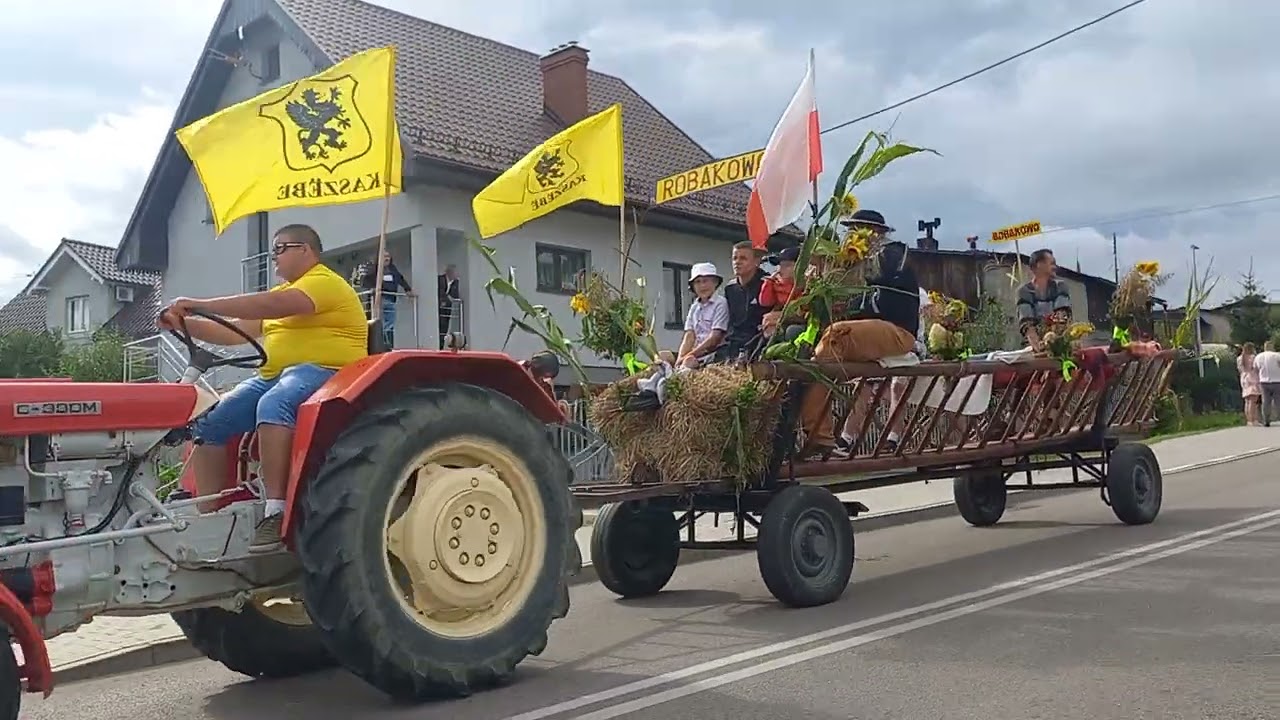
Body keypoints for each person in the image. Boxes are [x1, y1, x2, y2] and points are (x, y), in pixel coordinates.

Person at [160, 224, 368, 552]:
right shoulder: (283, 296)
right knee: (210, 421)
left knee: (274, 404)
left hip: (328, 373)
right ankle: (209, 516)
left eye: (281, 248)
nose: (274, 257)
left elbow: (269, 305)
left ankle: (275, 511)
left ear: (307, 250)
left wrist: (199, 304)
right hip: (273, 374)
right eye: (273, 250)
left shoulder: (323, 283)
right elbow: (233, 333)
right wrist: (184, 323)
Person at [659, 263, 730, 370]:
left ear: (715, 282)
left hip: (714, 353)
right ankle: (656, 381)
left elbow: (714, 338)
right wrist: (680, 357)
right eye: (698, 282)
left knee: (688, 362)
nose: (702, 286)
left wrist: (688, 355)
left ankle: (673, 381)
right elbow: (689, 336)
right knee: (662, 356)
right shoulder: (694, 307)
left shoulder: (721, 303)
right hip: (696, 352)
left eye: (705, 281)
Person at [1016, 249, 1073, 350]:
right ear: (1039, 265)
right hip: (1033, 347)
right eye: (1052, 264)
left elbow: (1061, 318)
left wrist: (1054, 345)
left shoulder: (1060, 287)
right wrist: (1038, 346)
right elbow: (1027, 325)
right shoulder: (1024, 291)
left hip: (1059, 344)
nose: (1055, 267)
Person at [721, 241, 768, 360]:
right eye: (734, 258)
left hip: (757, 341)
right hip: (733, 343)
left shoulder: (766, 285)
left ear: (756, 262)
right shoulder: (730, 289)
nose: (737, 262)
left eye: (743, 258)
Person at [376, 251, 414, 349]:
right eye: (384, 257)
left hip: (391, 298)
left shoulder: (392, 269)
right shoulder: (377, 269)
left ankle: (388, 344)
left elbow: (400, 279)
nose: (387, 258)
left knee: (389, 323)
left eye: (388, 256)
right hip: (382, 298)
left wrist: (408, 289)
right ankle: (385, 344)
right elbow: (368, 280)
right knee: (385, 322)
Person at [759, 246, 799, 338]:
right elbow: (765, 302)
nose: (781, 270)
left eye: (787, 265)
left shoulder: (806, 284)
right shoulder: (776, 283)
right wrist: (768, 283)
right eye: (780, 266)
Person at [1253, 341, 1280, 427]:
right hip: (1277, 380)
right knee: (1278, 401)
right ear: (1272, 347)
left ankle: (1266, 420)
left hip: (1264, 381)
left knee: (1266, 401)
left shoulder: (1258, 357)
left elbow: (1255, 368)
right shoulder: (1277, 356)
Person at [437, 264, 461, 349]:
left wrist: (447, 299)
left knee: (444, 329)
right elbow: (439, 293)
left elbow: (455, 296)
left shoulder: (455, 282)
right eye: (455, 272)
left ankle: (441, 346)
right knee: (439, 328)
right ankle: (438, 346)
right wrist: (446, 299)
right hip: (438, 310)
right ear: (449, 273)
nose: (456, 274)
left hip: (447, 310)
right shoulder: (440, 279)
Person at [1238, 342, 1262, 426]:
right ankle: (1253, 419)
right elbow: (1256, 367)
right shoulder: (1252, 357)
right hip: (1252, 378)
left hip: (1244, 379)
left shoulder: (1240, 358)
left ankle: (1249, 419)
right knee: (1253, 401)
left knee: (1247, 401)